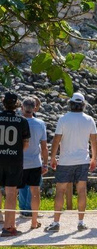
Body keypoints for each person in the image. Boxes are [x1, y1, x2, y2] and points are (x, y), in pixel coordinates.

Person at [46, 92, 97, 233]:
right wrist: (94, 158)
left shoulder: (63, 119)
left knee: (60, 191)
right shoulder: (89, 120)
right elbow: (94, 141)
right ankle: (81, 222)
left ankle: (56, 223)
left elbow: (56, 140)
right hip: (82, 160)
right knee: (81, 190)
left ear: (70, 104)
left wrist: (52, 157)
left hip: (65, 160)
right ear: (83, 105)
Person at [1, 93, 30, 237]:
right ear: (18, 104)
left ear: (3, 102)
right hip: (14, 159)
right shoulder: (22, 121)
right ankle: (9, 226)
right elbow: (26, 144)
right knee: (11, 193)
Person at [20, 97, 46, 230]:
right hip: (35, 161)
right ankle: (34, 220)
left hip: (19, 161)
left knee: (15, 190)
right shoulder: (40, 123)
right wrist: (45, 163)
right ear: (35, 108)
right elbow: (44, 146)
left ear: (22, 108)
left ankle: (21, 212)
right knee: (35, 190)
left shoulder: (18, 122)